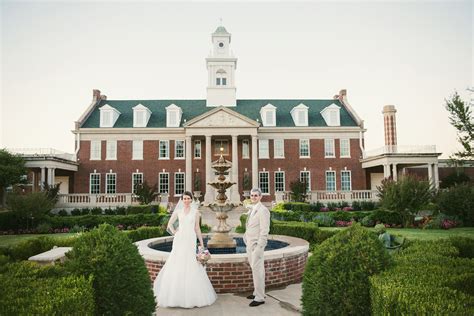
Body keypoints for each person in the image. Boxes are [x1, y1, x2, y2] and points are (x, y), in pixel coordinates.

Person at [153, 191, 217, 308]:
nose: (186, 200)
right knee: (177, 262)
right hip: (179, 239)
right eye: (185, 198)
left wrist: (201, 243)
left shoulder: (196, 212)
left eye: (188, 198)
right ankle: (174, 295)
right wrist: (175, 232)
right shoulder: (178, 212)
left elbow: (197, 228)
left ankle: (192, 295)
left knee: (191, 263)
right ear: (182, 200)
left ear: (191, 200)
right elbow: (169, 225)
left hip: (190, 239)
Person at [243, 188, 271, 307]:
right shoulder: (252, 208)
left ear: (260, 197)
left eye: (255, 196)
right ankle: (257, 292)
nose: (253, 197)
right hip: (250, 244)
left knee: (257, 271)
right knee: (257, 270)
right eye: (252, 195)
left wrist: (260, 246)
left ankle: (259, 298)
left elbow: (265, 230)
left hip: (256, 246)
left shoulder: (263, 210)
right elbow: (250, 226)